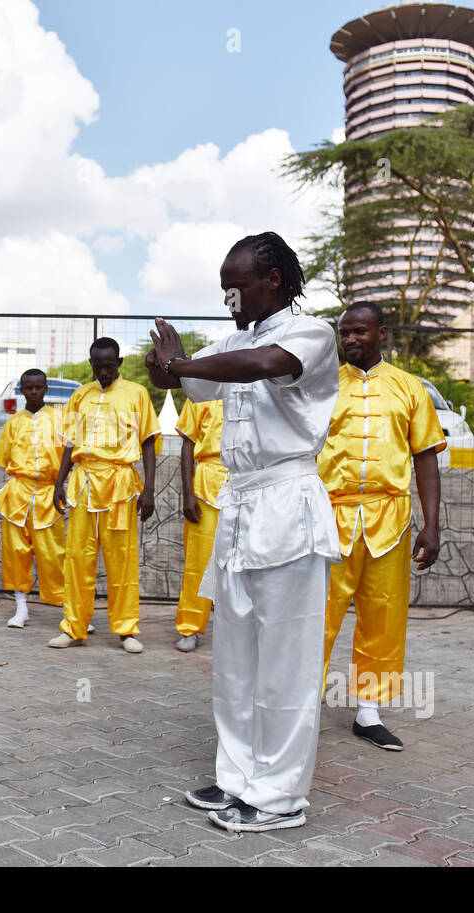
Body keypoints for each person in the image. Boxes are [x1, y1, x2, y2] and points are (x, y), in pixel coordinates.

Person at [146, 231, 339, 832]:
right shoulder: (231, 341)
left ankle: (278, 798)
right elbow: (185, 383)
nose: (229, 296)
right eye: (223, 287)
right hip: (239, 506)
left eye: (238, 285)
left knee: (286, 661)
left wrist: (182, 364)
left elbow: (265, 365)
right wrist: (166, 366)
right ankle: (236, 779)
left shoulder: (312, 333)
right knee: (235, 660)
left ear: (274, 280)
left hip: (288, 500)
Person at [319, 301, 444, 751]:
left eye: (359, 332)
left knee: (383, 613)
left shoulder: (410, 389)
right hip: (328, 516)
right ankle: (297, 704)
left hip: (390, 518)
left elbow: (425, 456)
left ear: (381, 333)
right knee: (317, 614)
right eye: (344, 333)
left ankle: (368, 712)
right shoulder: (322, 386)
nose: (350, 340)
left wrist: (431, 524)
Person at [49, 338, 159, 654]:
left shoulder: (137, 393)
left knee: (121, 558)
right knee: (78, 558)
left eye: (109, 366)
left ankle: (126, 630)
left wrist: (148, 489)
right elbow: (70, 443)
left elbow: (149, 441)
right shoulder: (80, 395)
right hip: (83, 483)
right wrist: (60, 482)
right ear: (91, 363)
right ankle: (73, 627)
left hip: (120, 484)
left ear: (120, 362)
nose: (103, 371)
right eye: (97, 366)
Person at [0, 369, 67, 628]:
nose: (34, 392)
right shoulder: (12, 423)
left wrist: (60, 485)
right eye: (28, 388)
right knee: (16, 552)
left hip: (49, 492)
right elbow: (4, 460)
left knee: (55, 553)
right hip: (18, 494)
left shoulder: (60, 419)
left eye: (38, 387)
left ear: (46, 388)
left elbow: (71, 456)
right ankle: (20, 608)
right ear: (22, 390)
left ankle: (68, 611)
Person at [173, 398, 227, 653]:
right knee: (199, 561)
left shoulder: (260, 385)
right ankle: (190, 627)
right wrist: (188, 494)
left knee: (250, 563)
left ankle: (245, 629)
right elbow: (187, 444)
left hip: (249, 483)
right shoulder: (202, 392)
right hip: (206, 484)